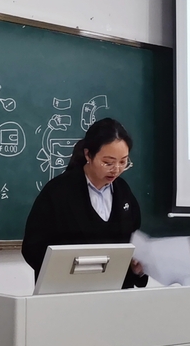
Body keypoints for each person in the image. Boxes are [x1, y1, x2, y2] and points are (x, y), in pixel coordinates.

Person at [22, 117, 148, 289]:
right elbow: (32, 247)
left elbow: (133, 244)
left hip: (117, 294)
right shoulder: (58, 192)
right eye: (108, 162)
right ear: (88, 155)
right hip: (69, 293)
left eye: (123, 162)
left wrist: (138, 268)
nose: (116, 169)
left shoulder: (123, 192)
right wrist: (63, 272)